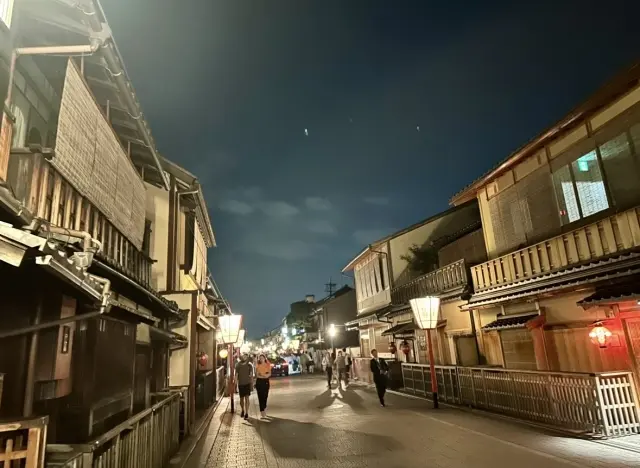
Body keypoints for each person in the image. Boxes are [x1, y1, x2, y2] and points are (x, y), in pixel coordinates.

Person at [235, 353, 254, 420]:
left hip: (247, 383)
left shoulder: (249, 365)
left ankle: (246, 412)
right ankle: (242, 409)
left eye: (246, 356)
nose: (245, 357)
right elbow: (236, 375)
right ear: (242, 357)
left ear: (247, 357)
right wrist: (235, 384)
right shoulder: (238, 365)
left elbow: (251, 375)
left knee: (247, 398)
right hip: (240, 384)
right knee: (241, 399)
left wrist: (252, 384)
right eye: (243, 356)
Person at [255, 354, 271, 418]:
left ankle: (264, 407)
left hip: (266, 382)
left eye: (262, 358)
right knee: (260, 396)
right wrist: (264, 375)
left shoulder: (268, 365)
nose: (261, 359)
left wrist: (263, 375)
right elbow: (257, 375)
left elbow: (269, 373)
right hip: (259, 382)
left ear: (265, 358)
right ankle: (262, 411)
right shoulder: (258, 365)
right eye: (260, 358)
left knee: (265, 396)